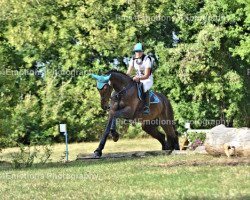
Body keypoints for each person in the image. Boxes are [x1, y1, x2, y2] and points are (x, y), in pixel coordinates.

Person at [126, 43, 153, 114]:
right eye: (136, 51)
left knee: (143, 86)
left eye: (139, 51)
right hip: (137, 78)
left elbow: (147, 75)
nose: (137, 53)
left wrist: (138, 78)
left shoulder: (147, 59)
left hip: (147, 79)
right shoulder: (133, 59)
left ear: (142, 51)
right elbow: (128, 72)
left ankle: (146, 106)